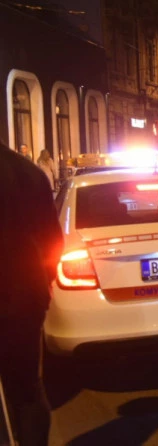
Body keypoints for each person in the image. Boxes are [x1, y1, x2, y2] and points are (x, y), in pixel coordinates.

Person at [0, 141, 64, 446]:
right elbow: (53, 241)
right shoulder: (29, 173)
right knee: (26, 390)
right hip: (24, 297)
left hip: (23, 294)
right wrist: (41, 282)